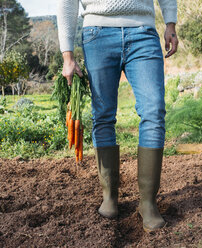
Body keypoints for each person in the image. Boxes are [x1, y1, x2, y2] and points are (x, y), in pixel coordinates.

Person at [57, 0, 178, 232]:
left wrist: (170, 24)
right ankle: (109, 197)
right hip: (97, 35)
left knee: (154, 112)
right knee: (102, 115)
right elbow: (67, 3)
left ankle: (148, 203)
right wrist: (67, 55)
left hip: (143, 32)